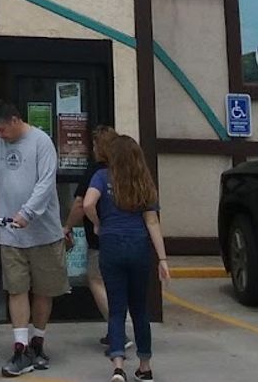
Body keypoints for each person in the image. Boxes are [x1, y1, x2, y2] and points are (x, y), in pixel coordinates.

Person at [0, 100, 68, 377]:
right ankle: (20, 348)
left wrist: (28, 212)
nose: (0, 135)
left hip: (43, 232)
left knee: (43, 290)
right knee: (16, 288)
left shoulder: (41, 142)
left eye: (3, 130)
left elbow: (46, 182)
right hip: (10, 233)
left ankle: (37, 342)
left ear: (16, 120)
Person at [83, 135, 170, 382]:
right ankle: (144, 366)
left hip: (110, 245)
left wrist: (99, 223)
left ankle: (118, 365)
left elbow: (88, 203)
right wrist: (162, 259)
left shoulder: (102, 177)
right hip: (139, 246)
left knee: (116, 309)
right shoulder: (144, 182)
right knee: (140, 309)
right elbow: (152, 222)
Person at [62, 125, 131, 352]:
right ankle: (118, 330)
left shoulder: (96, 172)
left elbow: (82, 204)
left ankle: (117, 331)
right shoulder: (125, 170)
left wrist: (68, 226)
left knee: (96, 279)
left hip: (102, 239)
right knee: (117, 284)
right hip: (128, 236)